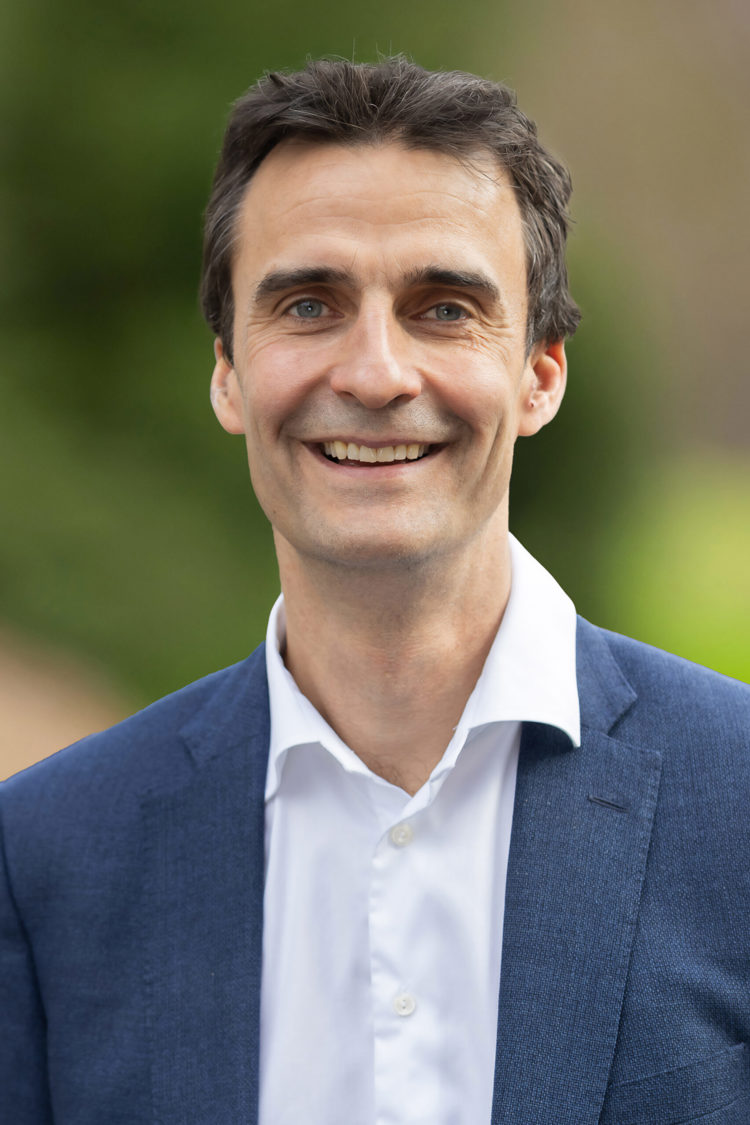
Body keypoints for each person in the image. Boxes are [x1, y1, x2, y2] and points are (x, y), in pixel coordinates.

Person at [1, 57, 748, 1125]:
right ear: (228, 371)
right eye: (309, 305)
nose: (375, 374)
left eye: (444, 309)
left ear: (540, 374)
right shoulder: (45, 859)